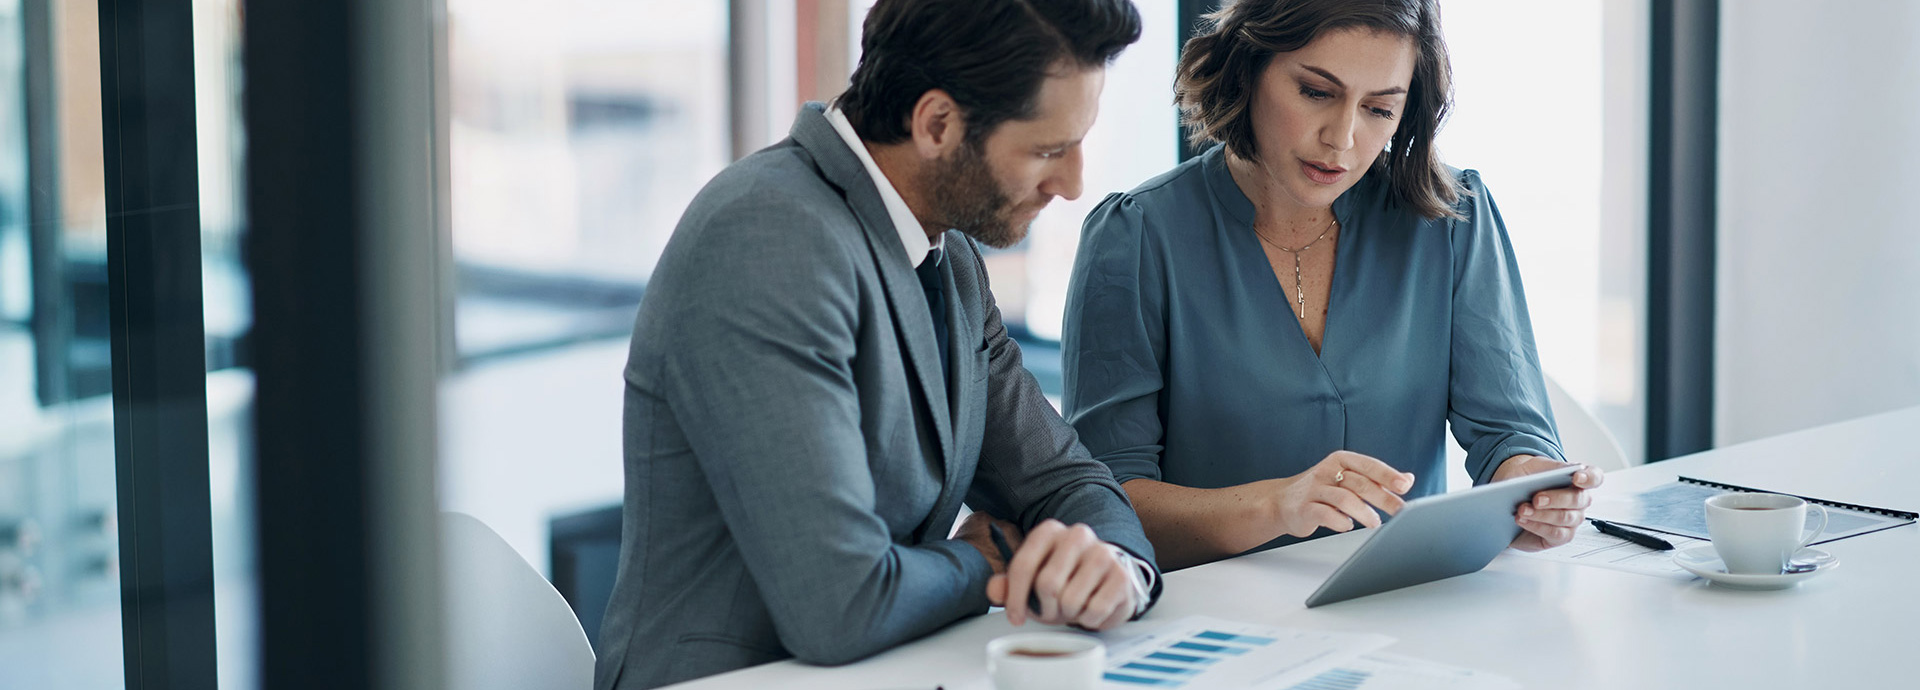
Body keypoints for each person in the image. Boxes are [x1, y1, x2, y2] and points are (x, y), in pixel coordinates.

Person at [594, 1, 1162, 688]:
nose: (1073, 185)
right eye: (1047, 150)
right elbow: (839, 604)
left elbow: (1062, 480)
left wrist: (1110, 569)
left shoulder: (948, 258)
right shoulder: (765, 237)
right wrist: (995, 557)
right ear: (937, 124)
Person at [1061, 0, 1604, 572]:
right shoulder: (1137, 236)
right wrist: (1277, 505)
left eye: (1379, 108)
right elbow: (1105, 505)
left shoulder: (1451, 219)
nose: (1342, 139)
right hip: (1212, 619)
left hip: (1403, 603)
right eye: (1317, 92)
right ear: (1248, 68)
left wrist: (1531, 488)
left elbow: (1510, 434)